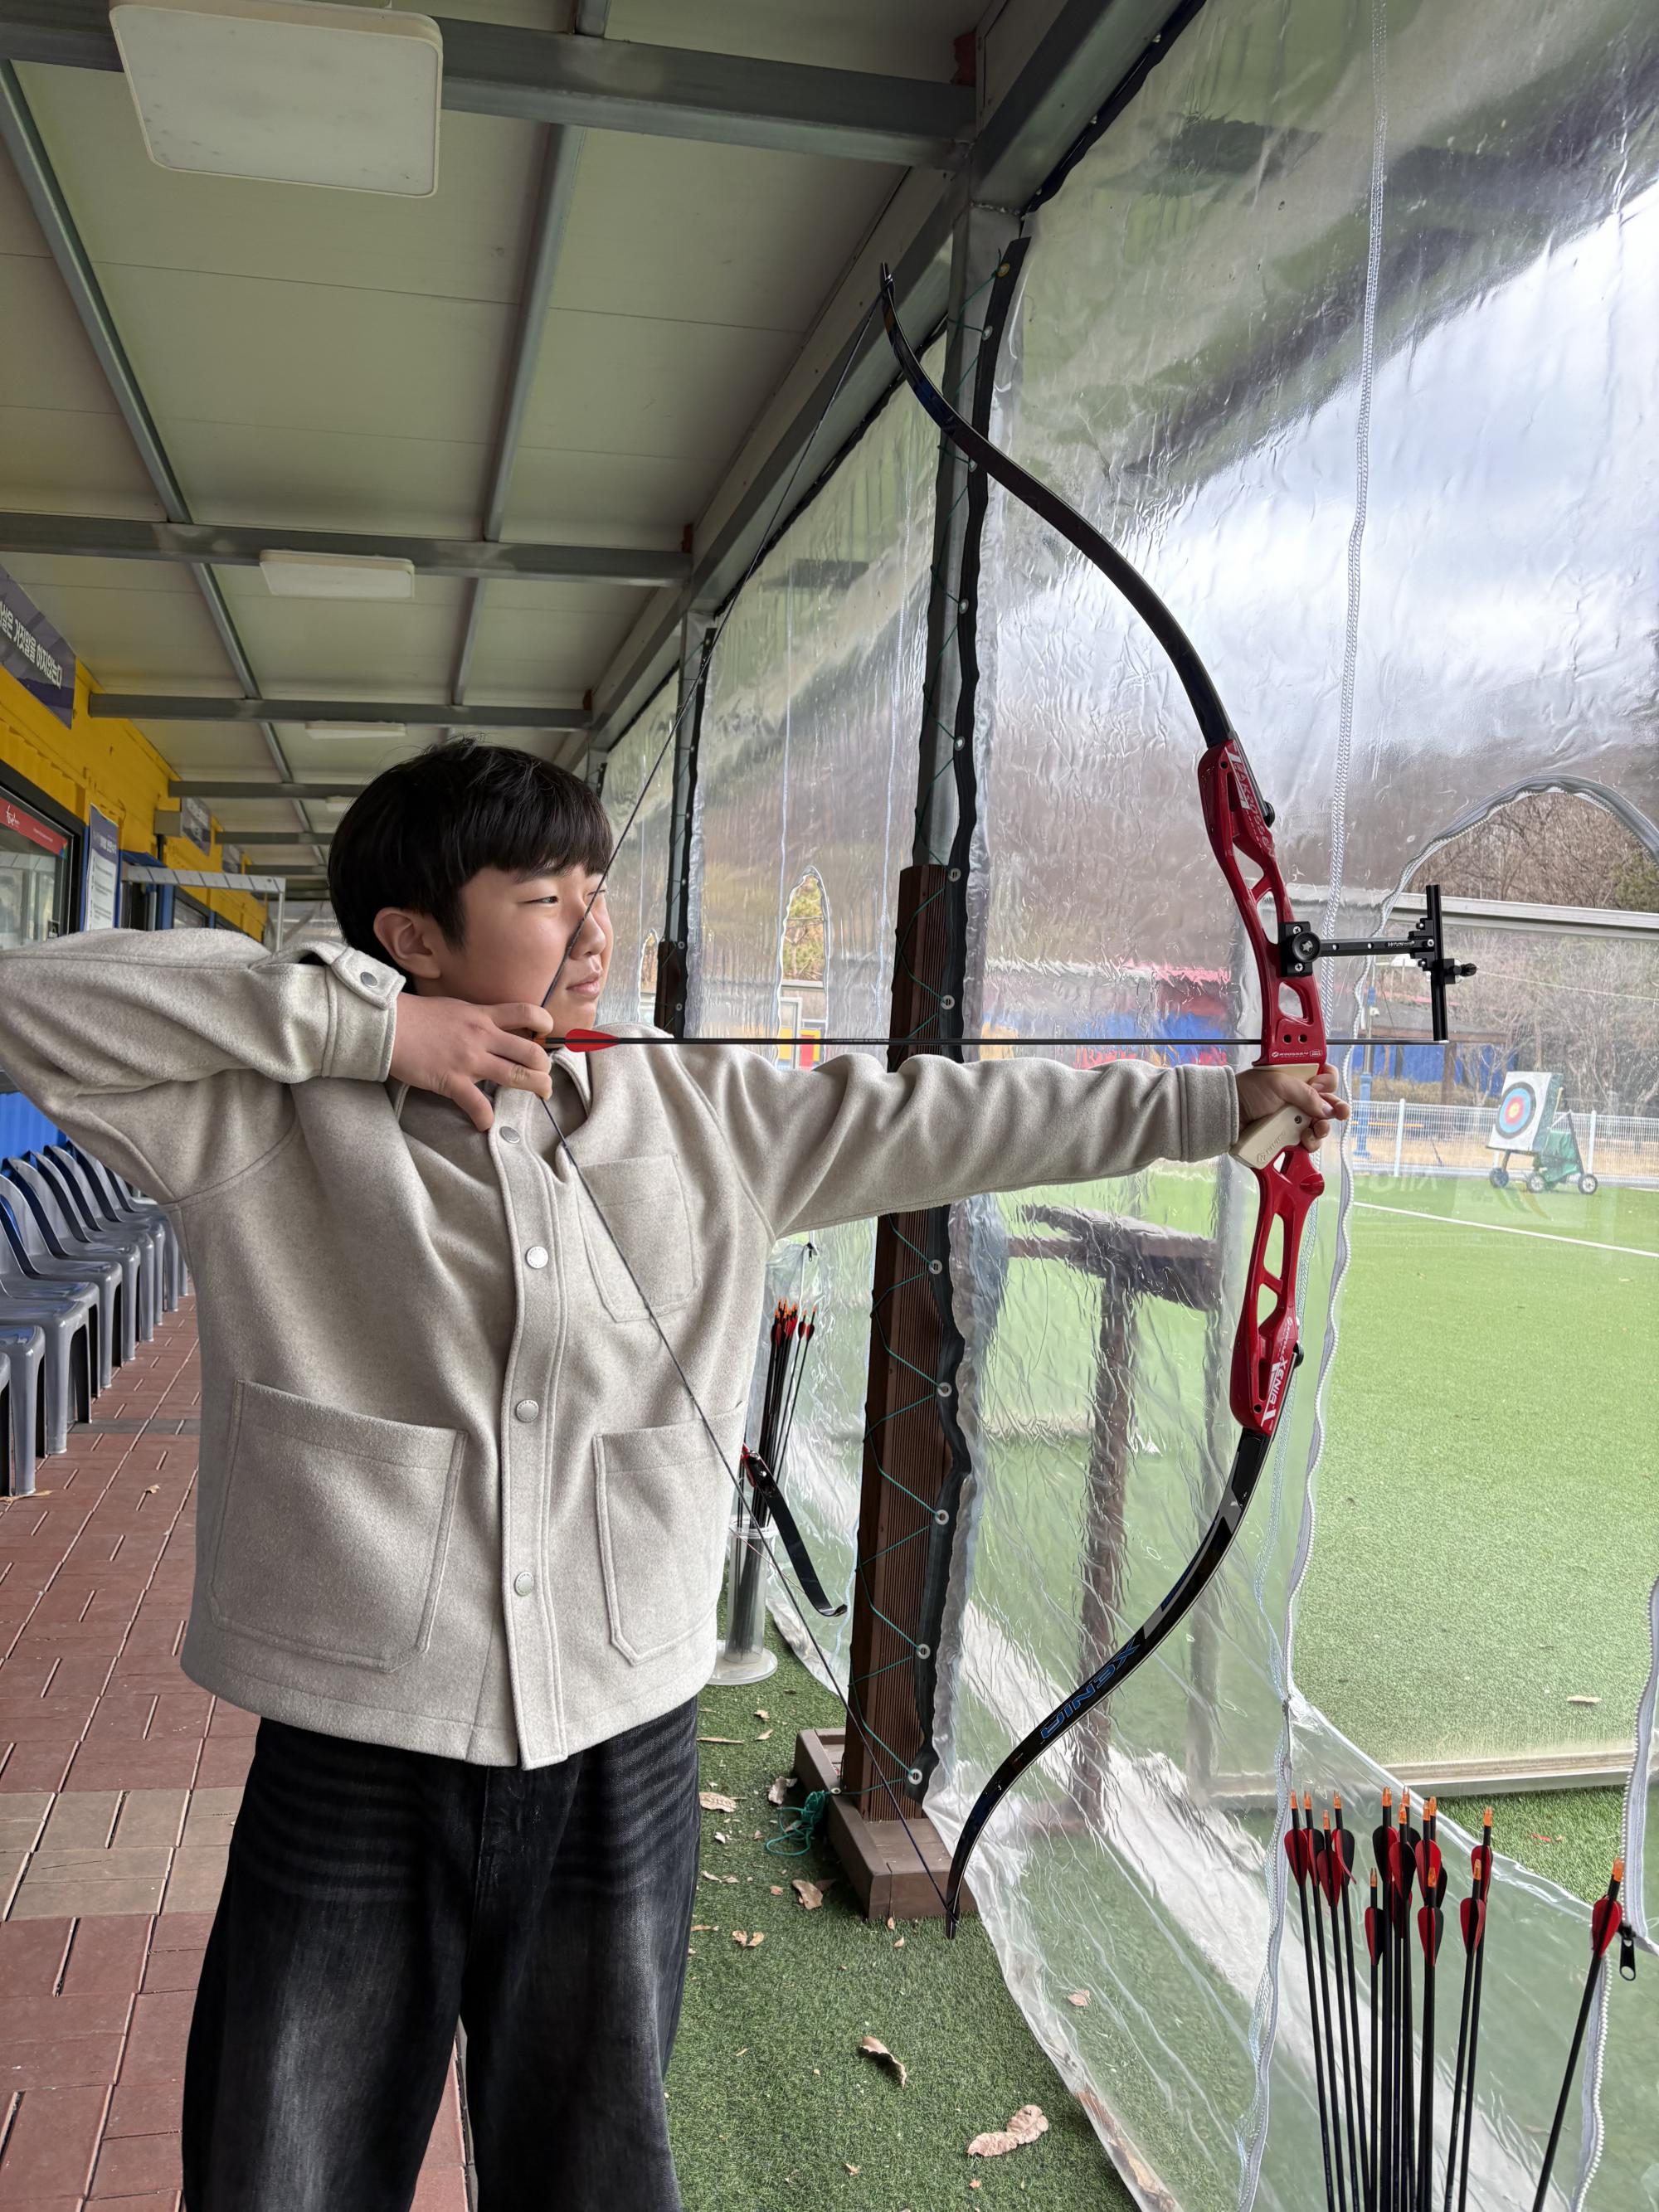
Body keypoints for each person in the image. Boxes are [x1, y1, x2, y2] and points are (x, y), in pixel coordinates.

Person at [0, 738, 1344, 2211]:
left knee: (594, 2167)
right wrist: (368, 1032)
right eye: (544, 898)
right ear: (414, 938)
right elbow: (27, 1003)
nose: (594, 929)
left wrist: (1219, 1106)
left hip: (620, 1738)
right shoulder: (264, 1118)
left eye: (597, 886)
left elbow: (951, 1115)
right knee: (286, 2172)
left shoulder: (703, 1112)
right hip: (355, 1743)